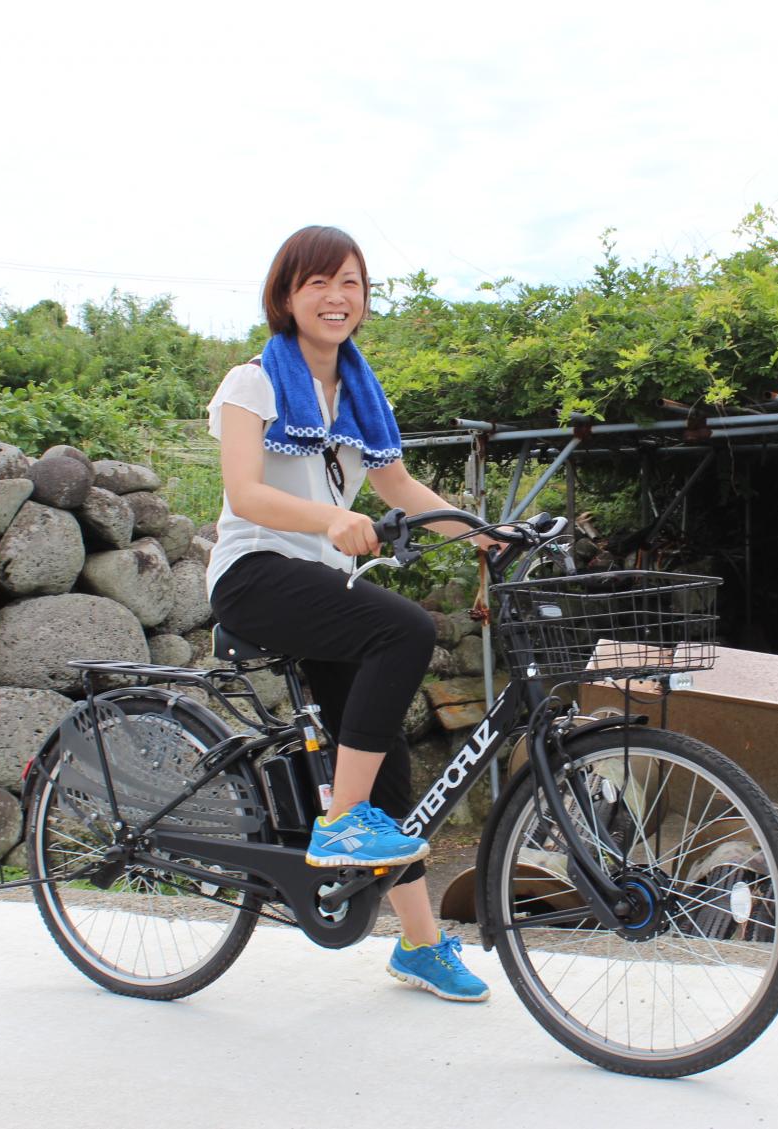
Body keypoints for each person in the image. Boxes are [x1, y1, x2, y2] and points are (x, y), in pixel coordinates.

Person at [205, 225, 494, 1003]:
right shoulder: (252, 382)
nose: (337, 298)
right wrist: (327, 519)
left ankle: (420, 945)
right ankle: (339, 822)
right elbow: (244, 494)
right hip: (256, 573)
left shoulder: (358, 393)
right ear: (287, 296)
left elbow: (399, 488)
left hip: (319, 581)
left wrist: (483, 535)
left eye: (352, 284)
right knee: (404, 627)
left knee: (386, 759)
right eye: (318, 283)